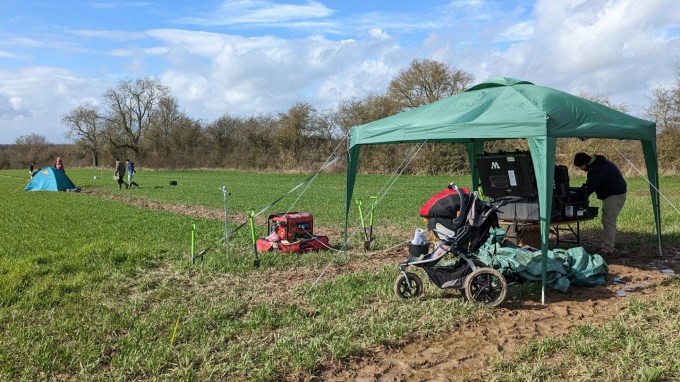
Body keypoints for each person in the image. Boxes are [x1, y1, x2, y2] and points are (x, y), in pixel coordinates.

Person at [573, 152, 627, 255]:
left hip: (614, 195)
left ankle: (607, 249)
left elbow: (590, 186)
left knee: (608, 221)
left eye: (581, 166)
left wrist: (578, 197)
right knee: (610, 221)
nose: (581, 169)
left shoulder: (597, 169)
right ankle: (608, 245)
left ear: (586, 163)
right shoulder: (600, 164)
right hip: (616, 194)